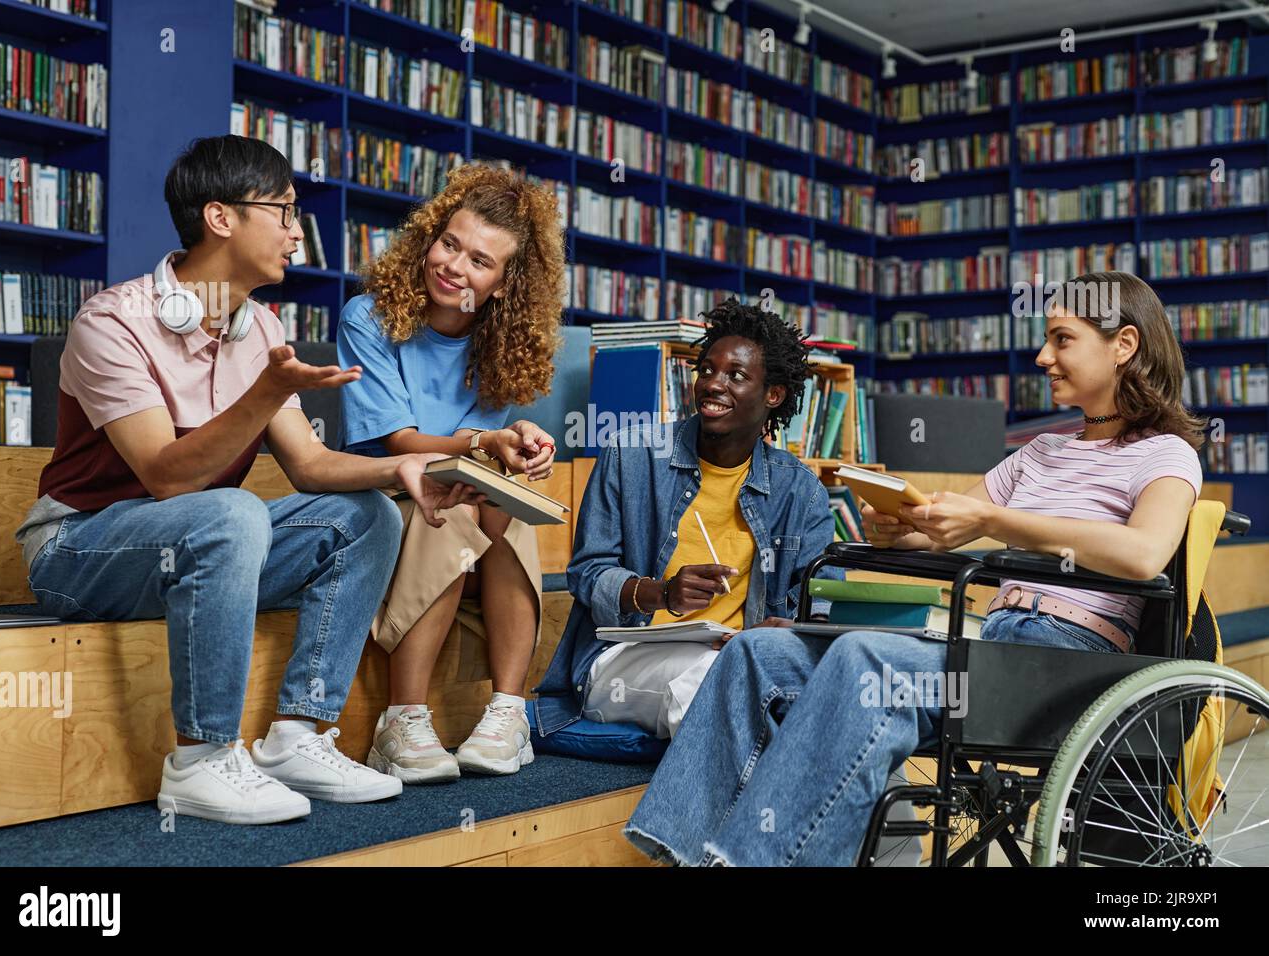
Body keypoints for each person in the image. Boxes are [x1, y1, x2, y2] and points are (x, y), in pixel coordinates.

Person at [623, 271, 1207, 865]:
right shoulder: (1041, 453)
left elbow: (1142, 555)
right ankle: (684, 851)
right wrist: (904, 526)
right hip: (994, 650)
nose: (1043, 356)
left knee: (863, 657)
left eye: (1062, 339)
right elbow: (948, 525)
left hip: (1065, 669)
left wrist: (992, 522)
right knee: (756, 653)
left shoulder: (1166, 454)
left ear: (1124, 345)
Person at [15, 135, 482, 825]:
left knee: (367, 517)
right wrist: (263, 395)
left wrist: (405, 468)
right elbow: (166, 477)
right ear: (221, 218)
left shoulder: (260, 327)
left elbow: (312, 466)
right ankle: (200, 761)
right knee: (230, 513)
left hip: (197, 549)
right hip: (79, 549)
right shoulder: (114, 320)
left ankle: (297, 735)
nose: (298, 234)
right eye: (286, 211)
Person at [336, 163, 564, 781]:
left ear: (503, 286)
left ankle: (507, 713)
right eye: (450, 243)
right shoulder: (369, 316)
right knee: (450, 509)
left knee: (505, 505)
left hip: (456, 484)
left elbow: (479, 452)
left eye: (480, 262)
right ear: (428, 236)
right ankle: (401, 720)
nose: (455, 267)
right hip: (382, 490)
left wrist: (518, 439)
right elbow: (399, 442)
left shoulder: (500, 341)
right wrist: (487, 438)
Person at [533, 298, 841, 746]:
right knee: (725, 685)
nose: (713, 384)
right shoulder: (632, 454)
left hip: (744, 659)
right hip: (625, 657)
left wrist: (787, 631)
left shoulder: (801, 491)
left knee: (818, 694)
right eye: (708, 370)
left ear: (773, 394)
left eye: (736, 376)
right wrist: (663, 593)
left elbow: (826, 603)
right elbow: (588, 575)